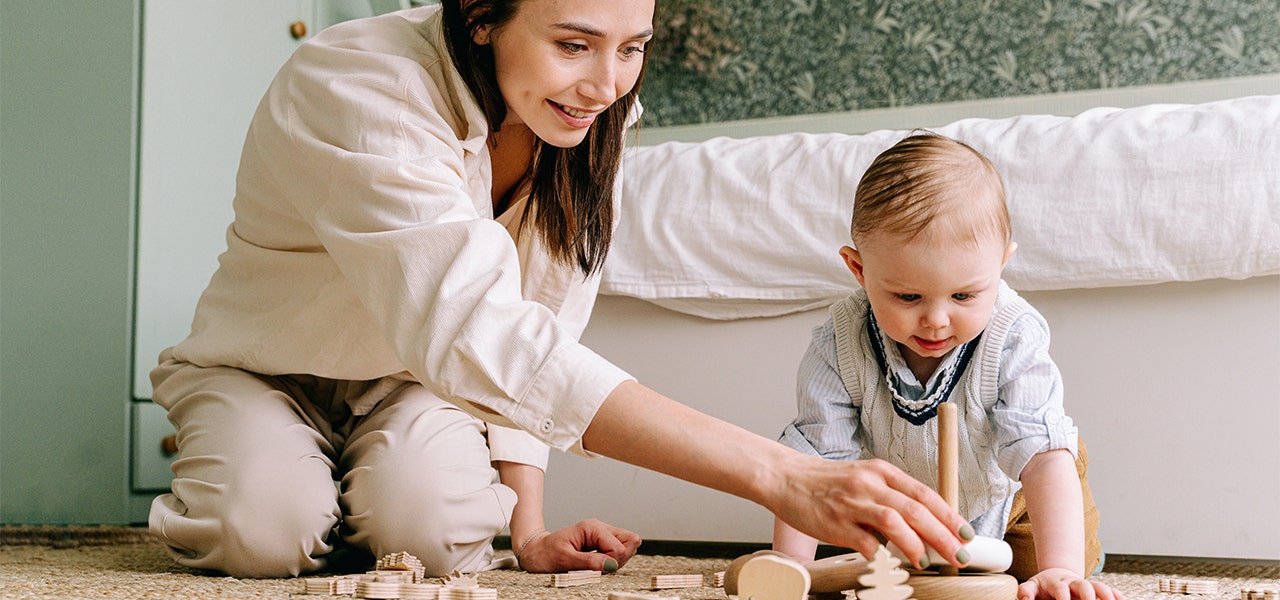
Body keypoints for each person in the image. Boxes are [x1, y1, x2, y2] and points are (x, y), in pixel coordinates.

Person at [147, 0, 973, 581]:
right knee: (261, 530)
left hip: (411, 385)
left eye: (632, 46)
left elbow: (539, 324)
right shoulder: (359, 88)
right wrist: (783, 476)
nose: (606, 83)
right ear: (480, 15)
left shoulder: (588, 116)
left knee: (435, 535)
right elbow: (478, 331)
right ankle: (296, 483)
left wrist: (528, 529)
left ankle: (357, 495)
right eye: (574, 44)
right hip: (263, 367)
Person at [772, 132, 1121, 600]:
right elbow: (811, 462)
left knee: (1035, 573)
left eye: (963, 296)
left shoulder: (1014, 334)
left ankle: (1063, 559)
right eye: (907, 296)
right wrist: (791, 570)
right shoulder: (841, 340)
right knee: (881, 568)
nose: (936, 320)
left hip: (1014, 495)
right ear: (858, 270)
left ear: (1000, 265)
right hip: (909, 505)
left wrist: (1062, 569)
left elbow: (1041, 457)